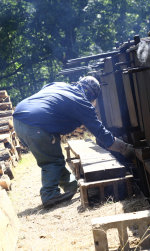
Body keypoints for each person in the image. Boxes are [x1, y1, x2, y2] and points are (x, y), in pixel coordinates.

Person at [13, 76, 135, 208]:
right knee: (51, 161)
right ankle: (49, 195)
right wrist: (125, 148)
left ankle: (70, 185)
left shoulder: (59, 84)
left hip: (19, 118)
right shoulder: (82, 102)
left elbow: (49, 104)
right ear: (92, 96)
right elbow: (101, 133)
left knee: (55, 157)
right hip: (35, 124)